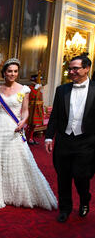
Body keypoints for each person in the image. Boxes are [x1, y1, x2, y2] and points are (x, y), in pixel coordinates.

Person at [0, 58, 57, 210]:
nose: (12, 74)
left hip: (14, 128)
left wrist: (23, 122)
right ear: (4, 73)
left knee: (17, 159)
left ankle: (16, 194)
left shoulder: (24, 89)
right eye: (9, 71)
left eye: (15, 71)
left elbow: (25, 111)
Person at [45, 55, 95, 222]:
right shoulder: (62, 90)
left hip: (86, 142)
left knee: (82, 175)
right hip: (64, 140)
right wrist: (48, 137)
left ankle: (84, 199)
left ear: (86, 69)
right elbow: (55, 117)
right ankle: (65, 208)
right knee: (63, 176)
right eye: (70, 68)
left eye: (76, 68)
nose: (71, 71)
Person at [26, 73, 45, 145]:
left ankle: (30, 138)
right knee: (30, 125)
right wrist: (36, 89)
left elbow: (41, 98)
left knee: (33, 125)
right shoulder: (29, 88)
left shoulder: (39, 88)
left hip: (38, 109)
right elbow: (32, 97)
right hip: (32, 109)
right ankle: (28, 138)